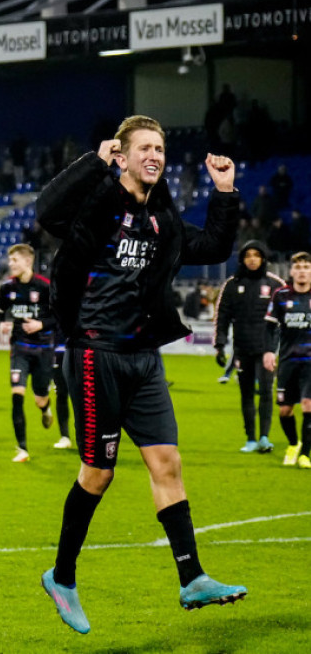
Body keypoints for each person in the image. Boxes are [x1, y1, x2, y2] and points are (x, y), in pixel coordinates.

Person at [36, 115, 246, 634]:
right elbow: (47, 212)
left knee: (168, 465)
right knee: (99, 474)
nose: (155, 155)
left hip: (144, 358)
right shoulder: (96, 206)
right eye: (144, 148)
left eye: (161, 148)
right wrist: (93, 163)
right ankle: (62, 576)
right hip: (95, 353)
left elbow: (215, 248)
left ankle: (192, 577)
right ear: (123, 155)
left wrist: (224, 193)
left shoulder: (163, 223)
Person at [213, 240, 282, 453]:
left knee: (266, 393)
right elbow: (222, 316)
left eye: (256, 255)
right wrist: (220, 345)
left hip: (266, 350)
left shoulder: (275, 284)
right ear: (242, 259)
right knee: (246, 395)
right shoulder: (232, 285)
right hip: (242, 348)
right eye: (248, 255)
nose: (252, 259)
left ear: (263, 258)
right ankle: (250, 438)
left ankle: (264, 437)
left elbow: (285, 317)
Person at [0, 244, 59, 462]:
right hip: (19, 349)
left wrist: (41, 324)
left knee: (40, 397)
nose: (11, 264)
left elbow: (59, 317)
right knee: (17, 395)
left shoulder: (44, 287)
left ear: (28, 262)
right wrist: (3, 324)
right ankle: (22, 449)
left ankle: (45, 408)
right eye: (10, 260)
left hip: (43, 350)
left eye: (15, 261)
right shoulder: (7, 288)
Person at [263, 252, 311, 468]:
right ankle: (294, 444)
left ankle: (305, 455)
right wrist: (269, 351)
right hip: (288, 360)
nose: (302, 271)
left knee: (308, 406)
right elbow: (270, 327)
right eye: (298, 267)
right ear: (291, 271)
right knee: (285, 409)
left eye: (306, 267)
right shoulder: (280, 295)